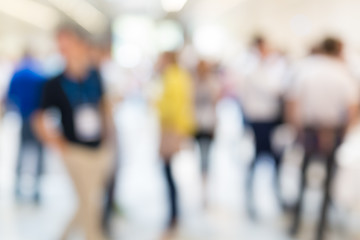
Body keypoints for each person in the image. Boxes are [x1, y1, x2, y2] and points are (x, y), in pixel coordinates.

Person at [33, 24, 115, 240]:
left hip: (98, 149)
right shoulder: (54, 83)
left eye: (69, 44)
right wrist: (58, 144)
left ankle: (64, 236)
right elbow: (38, 119)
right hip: (74, 151)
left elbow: (103, 107)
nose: (65, 50)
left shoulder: (94, 76)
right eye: (61, 46)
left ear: (81, 45)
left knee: (88, 202)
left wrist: (109, 137)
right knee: (90, 205)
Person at [286, 37, 359, 240]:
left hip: (308, 129)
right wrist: (345, 131)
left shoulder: (306, 69)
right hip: (333, 130)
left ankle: (296, 223)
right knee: (328, 180)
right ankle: (320, 227)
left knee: (303, 176)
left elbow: (293, 102)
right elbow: (352, 108)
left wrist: (296, 128)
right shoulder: (343, 74)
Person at [238, 36, 287, 219]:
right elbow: (273, 90)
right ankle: (251, 199)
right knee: (256, 161)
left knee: (275, 161)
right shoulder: (253, 68)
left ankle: (277, 196)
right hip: (259, 121)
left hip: (269, 121)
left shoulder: (269, 67)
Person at [156, 51, 195, 231]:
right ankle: (174, 212)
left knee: (167, 170)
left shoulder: (171, 76)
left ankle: (173, 213)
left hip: (171, 128)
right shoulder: (181, 75)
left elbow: (170, 107)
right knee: (168, 170)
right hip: (177, 127)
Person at [6, 53, 46, 203]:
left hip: (24, 116)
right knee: (39, 153)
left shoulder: (18, 73)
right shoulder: (39, 73)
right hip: (37, 118)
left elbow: (10, 95)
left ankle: (18, 185)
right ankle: (36, 187)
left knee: (22, 150)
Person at [192, 60, 221, 207]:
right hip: (197, 124)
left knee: (206, 157)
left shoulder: (212, 83)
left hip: (208, 124)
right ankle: (202, 186)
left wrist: (215, 125)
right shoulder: (193, 83)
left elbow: (215, 105)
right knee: (200, 157)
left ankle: (205, 189)